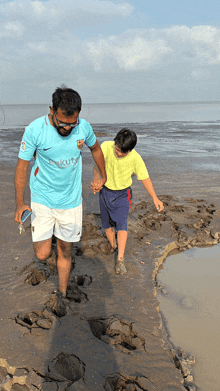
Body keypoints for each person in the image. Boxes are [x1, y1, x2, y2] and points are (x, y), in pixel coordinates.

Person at [15, 86, 106, 302]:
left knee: (65, 251)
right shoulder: (35, 130)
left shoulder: (83, 128)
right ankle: (49, 239)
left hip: (71, 201)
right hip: (42, 199)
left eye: (72, 123)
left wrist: (102, 175)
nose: (67, 128)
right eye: (63, 122)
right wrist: (20, 203)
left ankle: (62, 293)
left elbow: (96, 149)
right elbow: (21, 167)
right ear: (52, 110)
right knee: (43, 254)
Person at [91, 128, 164, 275]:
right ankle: (113, 246)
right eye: (117, 149)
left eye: (122, 152)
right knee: (106, 224)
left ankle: (120, 259)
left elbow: (145, 178)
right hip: (105, 192)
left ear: (130, 150)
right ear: (115, 142)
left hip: (123, 195)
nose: (118, 153)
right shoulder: (106, 147)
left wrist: (155, 198)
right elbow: (97, 166)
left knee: (122, 225)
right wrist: (95, 181)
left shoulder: (136, 158)